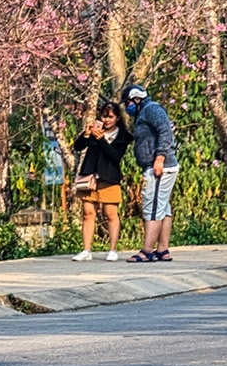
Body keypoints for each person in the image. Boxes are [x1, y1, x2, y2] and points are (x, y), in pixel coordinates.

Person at [70, 100, 132, 262]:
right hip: (90, 177)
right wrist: (86, 134)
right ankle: (86, 250)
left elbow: (115, 156)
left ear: (117, 118)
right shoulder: (96, 130)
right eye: (104, 116)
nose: (106, 120)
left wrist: (102, 140)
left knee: (110, 214)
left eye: (110, 117)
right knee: (88, 213)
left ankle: (112, 249)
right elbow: (77, 147)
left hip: (109, 178)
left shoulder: (123, 135)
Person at [123, 83, 178, 262]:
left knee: (152, 207)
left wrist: (160, 157)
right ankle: (162, 250)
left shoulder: (151, 110)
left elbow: (165, 131)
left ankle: (146, 251)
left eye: (128, 103)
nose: (127, 107)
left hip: (159, 166)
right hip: (157, 165)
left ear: (137, 99)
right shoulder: (143, 113)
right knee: (163, 208)